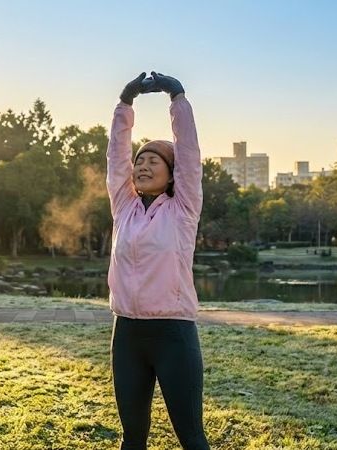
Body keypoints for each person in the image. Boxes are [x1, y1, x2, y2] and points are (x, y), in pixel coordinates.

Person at [106, 71, 209, 450]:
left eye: (153, 161)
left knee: (191, 436)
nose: (142, 166)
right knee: (132, 435)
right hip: (128, 334)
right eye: (140, 161)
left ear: (171, 175)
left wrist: (177, 98)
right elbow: (116, 158)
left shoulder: (182, 210)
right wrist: (125, 103)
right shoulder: (124, 207)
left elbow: (189, 155)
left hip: (173, 334)